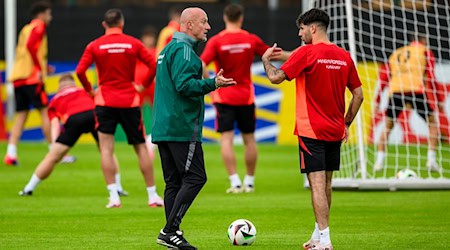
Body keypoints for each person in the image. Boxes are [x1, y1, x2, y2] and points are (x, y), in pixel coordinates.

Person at [261, 9, 364, 250]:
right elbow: (358, 95)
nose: (299, 33)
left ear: (313, 29)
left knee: (316, 184)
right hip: (334, 130)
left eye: (302, 29)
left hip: (311, 130)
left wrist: (266, 60)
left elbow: (276, 78)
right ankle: (318, 235)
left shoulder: (307, 53)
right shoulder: (343, 56)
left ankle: (326, 241)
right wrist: (346, 122)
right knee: (326, 184)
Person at [152, 7, 236, 249]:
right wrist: (213, 83)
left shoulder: (168, 49)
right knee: (197, 177)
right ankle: (169, 231)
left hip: (164, 125)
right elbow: (184, 85)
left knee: (173, 183)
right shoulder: (185, 51)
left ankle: (173, 233)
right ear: (189, 25)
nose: (208, 27)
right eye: (204, 22)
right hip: (181, 126)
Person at [75, 8, 163, 208]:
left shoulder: (94, 45)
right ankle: (152, 196)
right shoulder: (133, 43)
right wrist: (141, 85)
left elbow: (80, 70)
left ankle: (114, 197)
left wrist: (90, 91)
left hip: (104, 101)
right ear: (121, 24)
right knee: (140, 148)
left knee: (106, 149)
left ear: (104, 25)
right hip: (129, 101)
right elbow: (154, 65)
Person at [200, 3, 285, 194]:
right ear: (241, 18)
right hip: (245, 97)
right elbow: (269, 54)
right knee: (249, 139)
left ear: (224, 18)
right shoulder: (250, 39)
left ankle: (235, 181)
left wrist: (211, 85)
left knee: (226, 140)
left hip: (224, 97)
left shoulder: (217, 41)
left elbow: (201, 63)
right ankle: (250, 181)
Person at [18, 74, 127, 196]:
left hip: (74, 119)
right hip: (94, 115)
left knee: (52, 157)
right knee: (107, 152)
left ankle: (29, 188)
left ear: (60, 87)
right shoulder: (84, 91)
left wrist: (54, 145)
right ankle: (118, 187)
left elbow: (54, 125)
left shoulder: (55, 100)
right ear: (74, 84)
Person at [374, 34, 445, 172]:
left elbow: (384, 79)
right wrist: (439, 99)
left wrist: (377, 101)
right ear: (423, 40)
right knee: (432, 124)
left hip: (396, 91)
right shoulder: (425, 51)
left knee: (388, 126)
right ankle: (431, 160)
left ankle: (379, 162)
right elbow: (430, 77)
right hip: (415, 90)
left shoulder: (397, 53)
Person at [4, 1, 53, 166]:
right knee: (46, 112)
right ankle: (55, 150)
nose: (50, 18)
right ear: (41, 14)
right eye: (48, 14)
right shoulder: (39, 27)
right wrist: (39, 68)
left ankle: (10, 153)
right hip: (32, 78)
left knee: (21, 116)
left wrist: (45, 66)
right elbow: (31, 46)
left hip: (18, 77)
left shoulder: (26, 28)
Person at [135, 26, 158, 159]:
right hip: (140, 85)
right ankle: (142, 139)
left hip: (153, 85)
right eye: (147, 37)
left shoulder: (157, 51)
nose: (149, 40)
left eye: (151, 37)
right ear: (143, 38)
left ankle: (154, 140)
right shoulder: (139, 50)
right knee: (139, 113)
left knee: (157, 112)